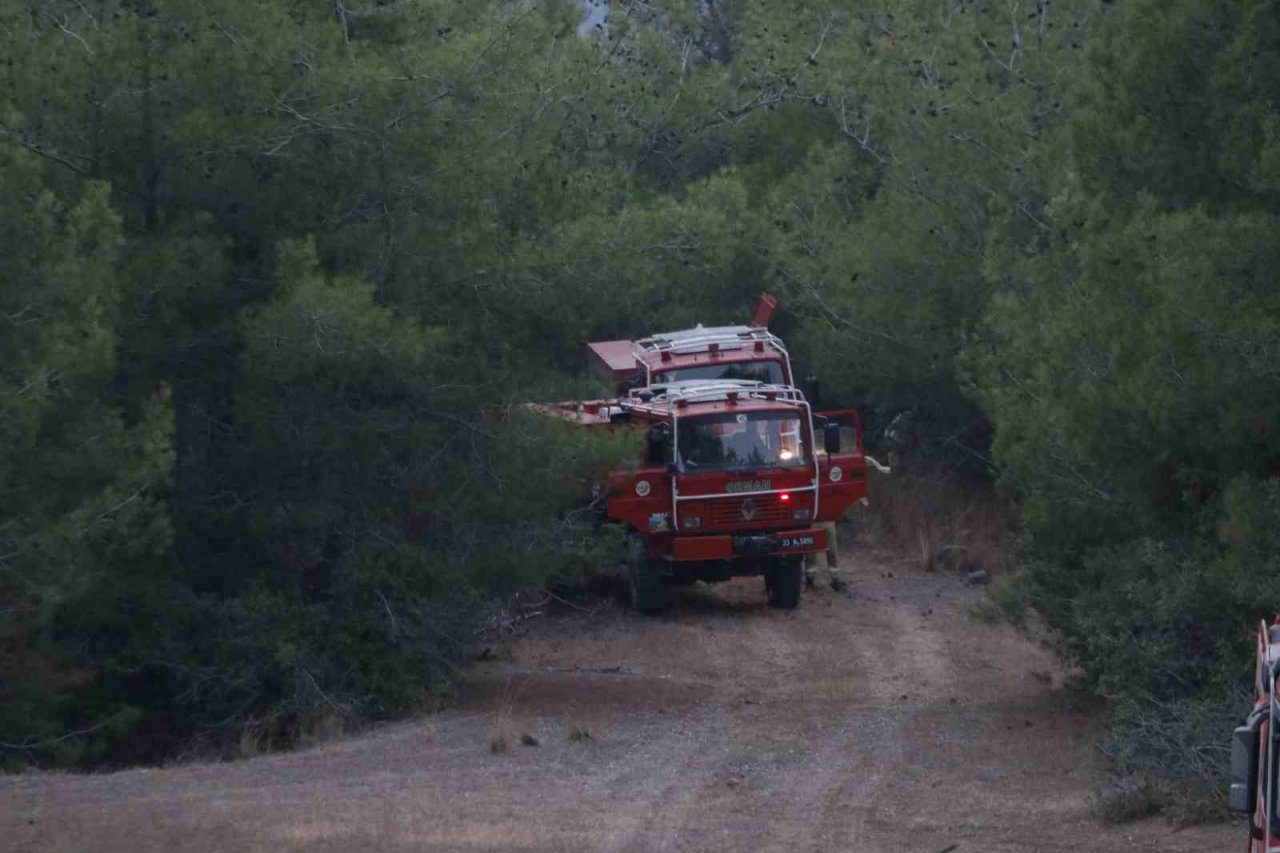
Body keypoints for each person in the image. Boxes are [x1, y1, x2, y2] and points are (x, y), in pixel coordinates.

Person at [805, 520, 846, 591]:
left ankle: (836, 579)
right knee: (810, 551)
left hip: (826, 519)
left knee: (832, 549)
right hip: (811, 520)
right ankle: (810, 579)